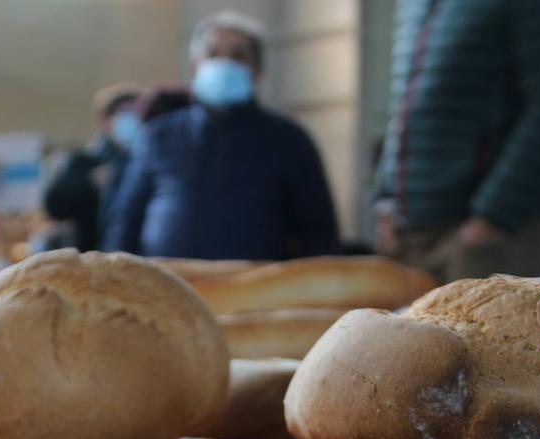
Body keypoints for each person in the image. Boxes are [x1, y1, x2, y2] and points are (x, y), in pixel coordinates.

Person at [375, 0, 540, 281]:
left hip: (488, 239)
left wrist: (490, 221)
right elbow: (405, 106)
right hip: (408, 238)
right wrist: (386, 201)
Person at [103, 11, 338, 260]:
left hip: (257, 292)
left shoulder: (289, 140)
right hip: (168, 288)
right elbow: (125, 220)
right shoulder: (158, 136)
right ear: (195, 68)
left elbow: (319, 231)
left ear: (258, 71)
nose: (224, 63)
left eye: (238, 56)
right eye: (213, 54)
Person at [43, 83, 143, 252]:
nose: (131, 119)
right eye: (124, 112)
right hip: (92, 257)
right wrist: (88, 182)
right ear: (104, 119)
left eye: (135, 113)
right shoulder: (85, 160)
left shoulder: (144, 161)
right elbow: (54, 205)